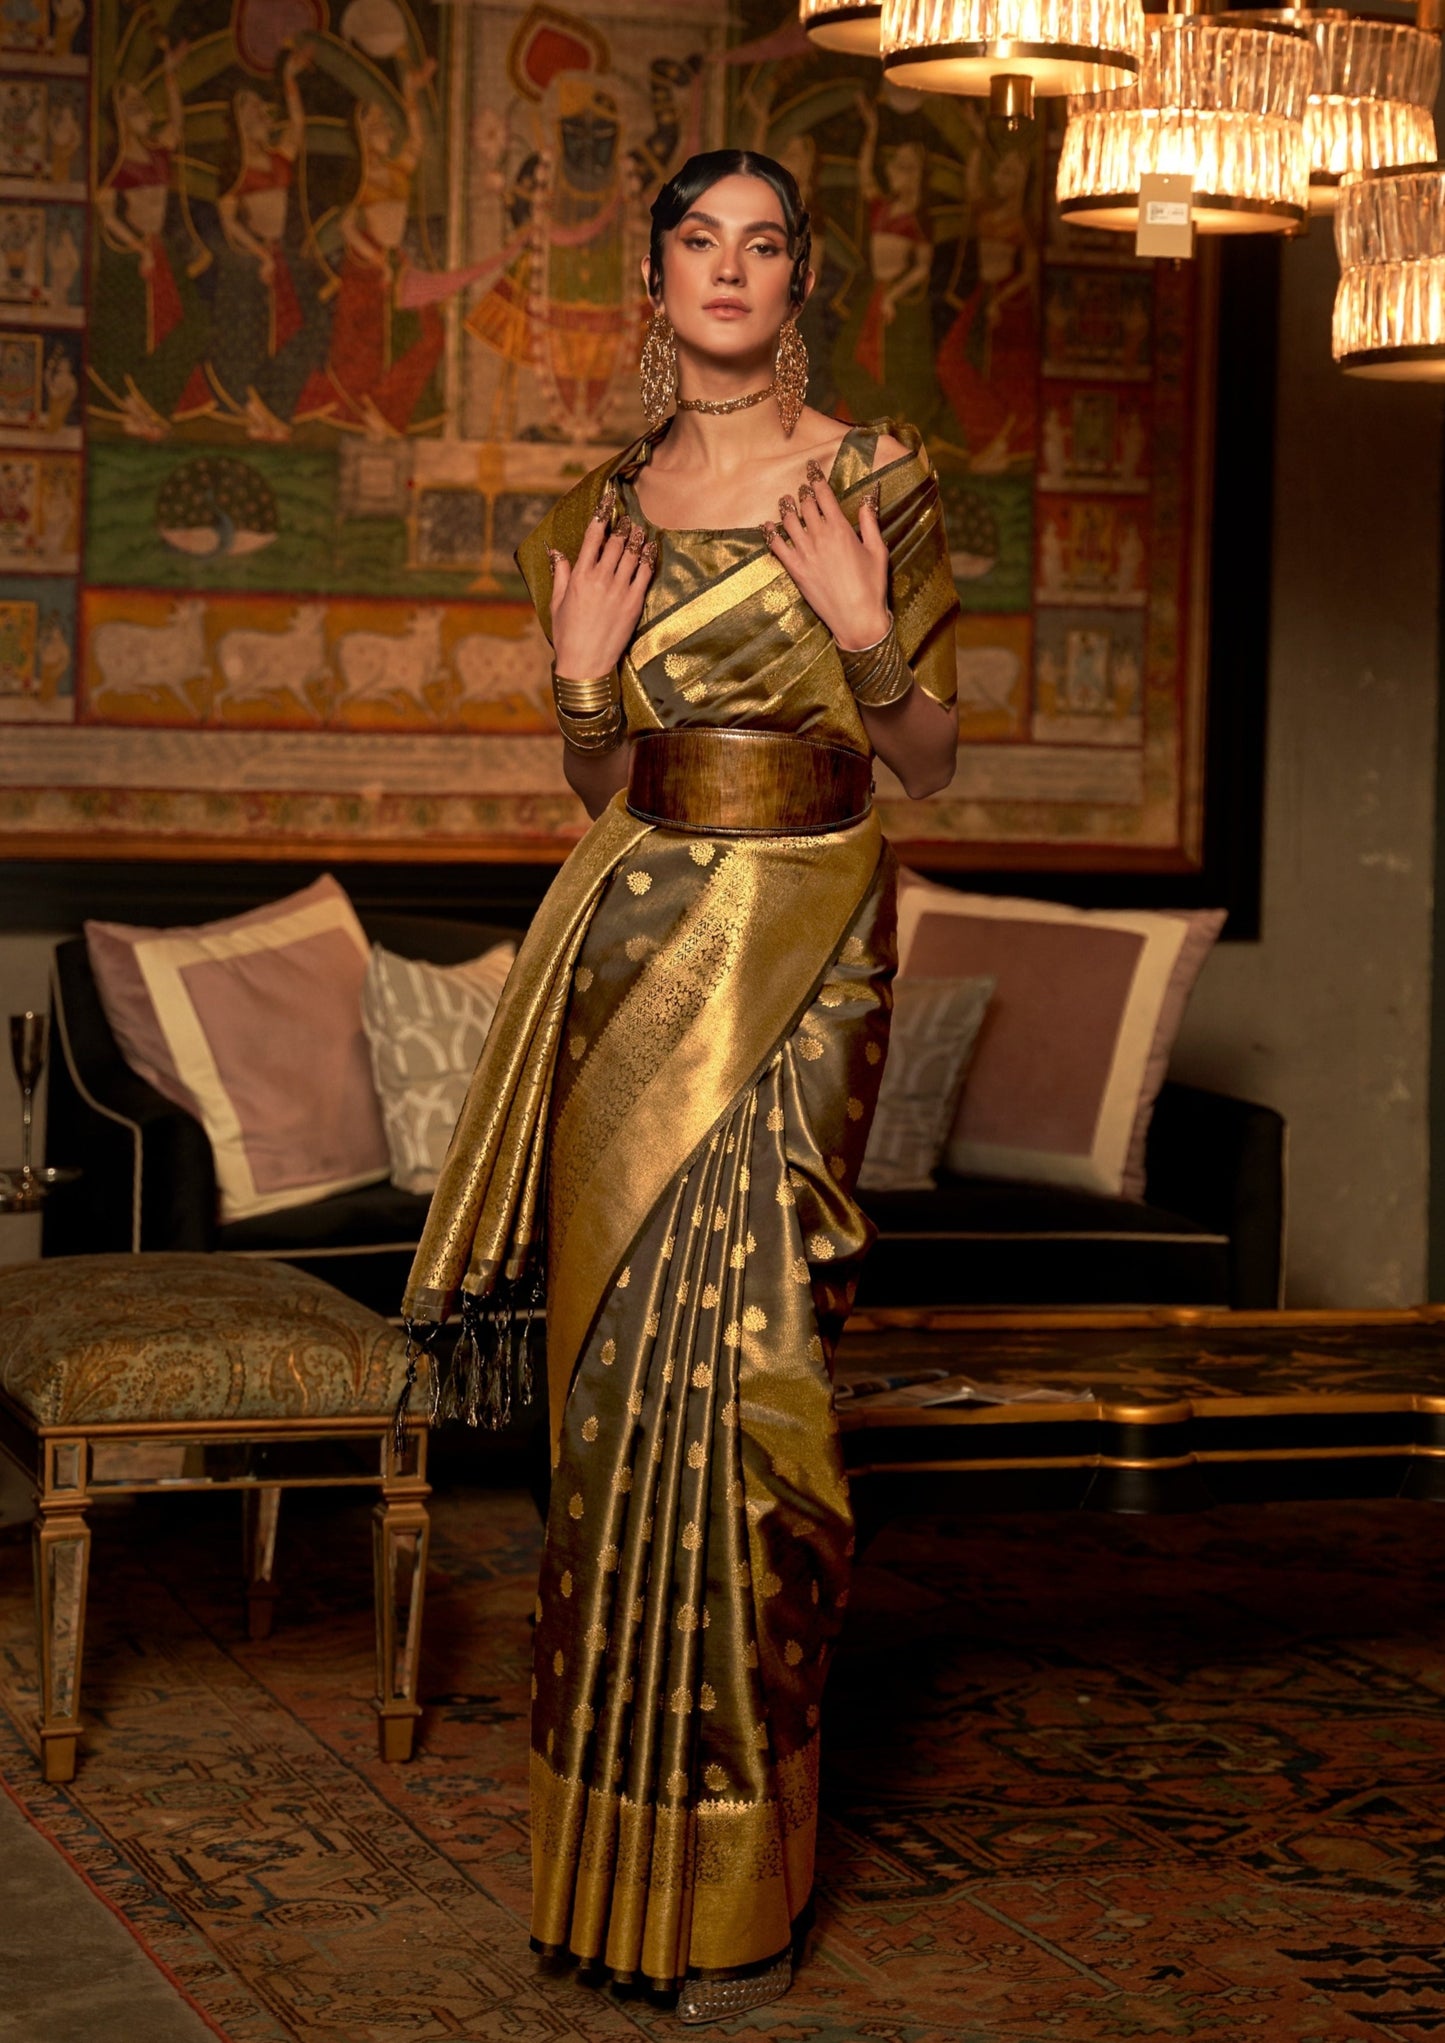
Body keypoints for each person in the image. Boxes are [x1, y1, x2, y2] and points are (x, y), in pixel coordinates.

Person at [402, 148, 959, 2025]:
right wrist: (576, 691)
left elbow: (934, 765)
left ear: (803, 283)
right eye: (698, 243)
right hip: (629, 960)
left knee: (757, 1396)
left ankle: (737, 1882)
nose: (733, 271)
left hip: (805, 959)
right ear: (652, 283)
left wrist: (872, 646)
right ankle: (602, 1881)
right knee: (616, 1405)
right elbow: (605, 793)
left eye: (767, 244)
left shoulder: (874, 481)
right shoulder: (604, 511)